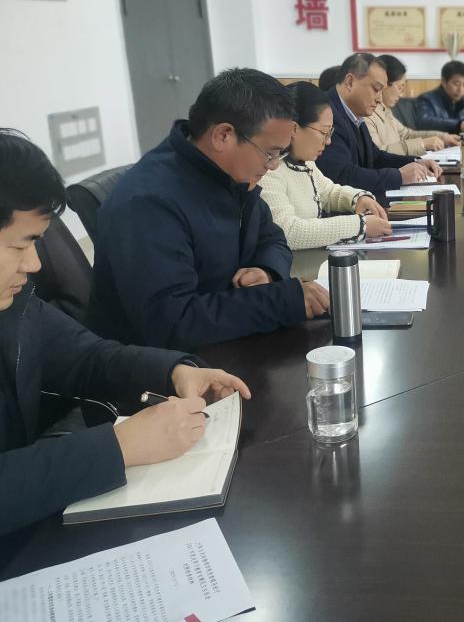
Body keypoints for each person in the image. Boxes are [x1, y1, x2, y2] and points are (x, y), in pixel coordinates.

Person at [0, 130, 251, 534]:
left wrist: (175, 372)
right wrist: (121, 446)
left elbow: (87, 357)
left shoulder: (14, 303)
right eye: (19, 246)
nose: (34, 265)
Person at [88, 68, 331, 352]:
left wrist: (266, 271)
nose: (274, 164)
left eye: (280, 154)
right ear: (223, 135)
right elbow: (172, 322)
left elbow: (272, 238)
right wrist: (281, 301)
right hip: (165, 366)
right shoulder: (148, 204)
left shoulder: (230, 174)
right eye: (270, 152)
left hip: (226, 339)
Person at [260, 81, 392, 250]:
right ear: (294, 129)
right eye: (324, 132)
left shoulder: (306, 161)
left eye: (330, 133)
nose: (328, 141)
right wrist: (360, 225)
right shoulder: (268, 170)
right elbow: (288, 231)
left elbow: (327, 192)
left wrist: (358, 199)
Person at [315, 53, 441, 196]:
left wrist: (415, 162)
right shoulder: (326, 114)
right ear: (350, 82)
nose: (380, 99)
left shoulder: (355, 112)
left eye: (382, 91)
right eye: (376, 89)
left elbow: (375, 157)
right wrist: (399, 176)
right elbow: (343, 176)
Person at [366, 54, 460, 156]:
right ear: (384, 84)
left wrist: (442, 137)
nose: (401, 94)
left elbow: (406, 135)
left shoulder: (384, 109)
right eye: (400, 87)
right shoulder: (366, 113)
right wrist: (422, 144)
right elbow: (377, 154)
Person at [415, 60, 464, 134]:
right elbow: (424, 123)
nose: (460, 89)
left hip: (463, 141)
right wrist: (458, 124)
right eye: (456, 84)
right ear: (444, 82)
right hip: (439, 141)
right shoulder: (427, 99)